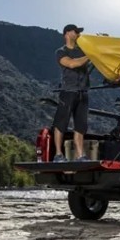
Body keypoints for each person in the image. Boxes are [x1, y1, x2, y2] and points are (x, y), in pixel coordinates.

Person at [52, 24, 91, 162]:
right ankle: (58, 154)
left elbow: (94, 60)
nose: (78, 34)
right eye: (76, 32)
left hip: (83, 92)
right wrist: (90, 55)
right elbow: (72, 64)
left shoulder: (82, 51)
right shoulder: (61, 52)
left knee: (80, 125)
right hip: (68, 92)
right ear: (67, 33)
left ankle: (80, 156)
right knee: (61, 123)